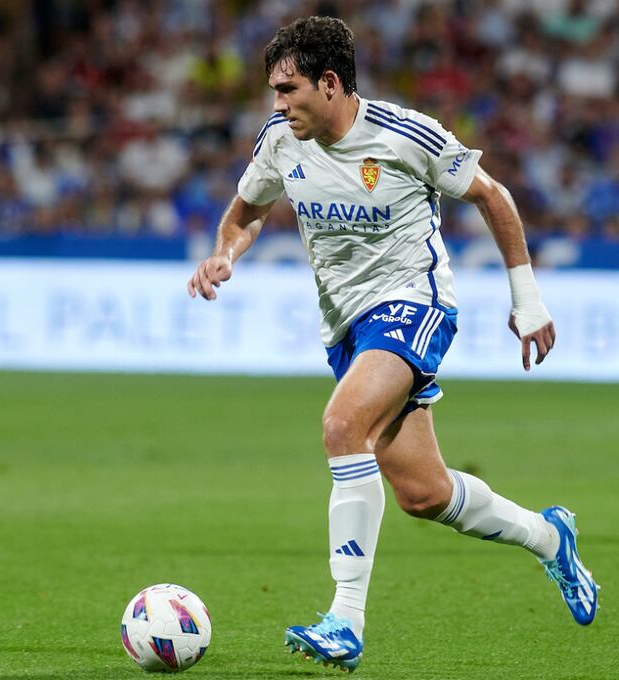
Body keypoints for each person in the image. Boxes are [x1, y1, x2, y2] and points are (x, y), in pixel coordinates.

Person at [187, 16, 598, 673]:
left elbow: (493, 197)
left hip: (417, 305)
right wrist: (224, 254)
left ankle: (344, 620)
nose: (277, 103)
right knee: (424, 495)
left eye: (287, 89)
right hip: (348, 328)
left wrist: (527, 302)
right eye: (273, 90)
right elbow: (246, 209)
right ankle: (551, 537)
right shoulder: (279, 142)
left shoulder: (409, 135)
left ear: (329, 83)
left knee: (342, 425)